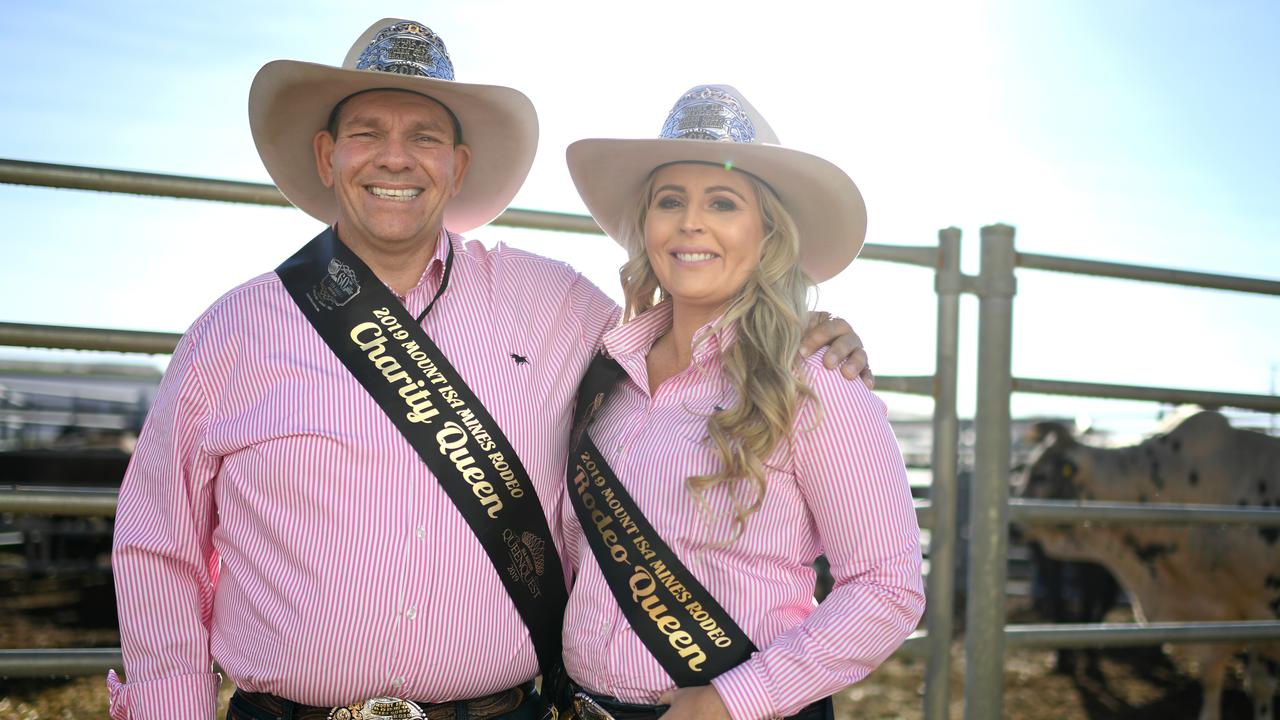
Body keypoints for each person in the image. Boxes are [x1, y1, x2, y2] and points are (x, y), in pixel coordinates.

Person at [107, 21, 870, 720]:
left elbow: (691, 330)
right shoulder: (233, 330)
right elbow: (158, 544)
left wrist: (798, 330)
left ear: (457, 165)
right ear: (326, 156)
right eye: (367, 132)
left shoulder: (553, 305)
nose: (396, 157)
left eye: (426, 137)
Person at [558, 85, 924, 720]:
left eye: (722, 202)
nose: (690, 223)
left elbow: (888, 588)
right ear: (646, 226)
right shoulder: (601, 378)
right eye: (670, 201)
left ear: (768, 234)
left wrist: (733, 701)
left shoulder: (817, 382)